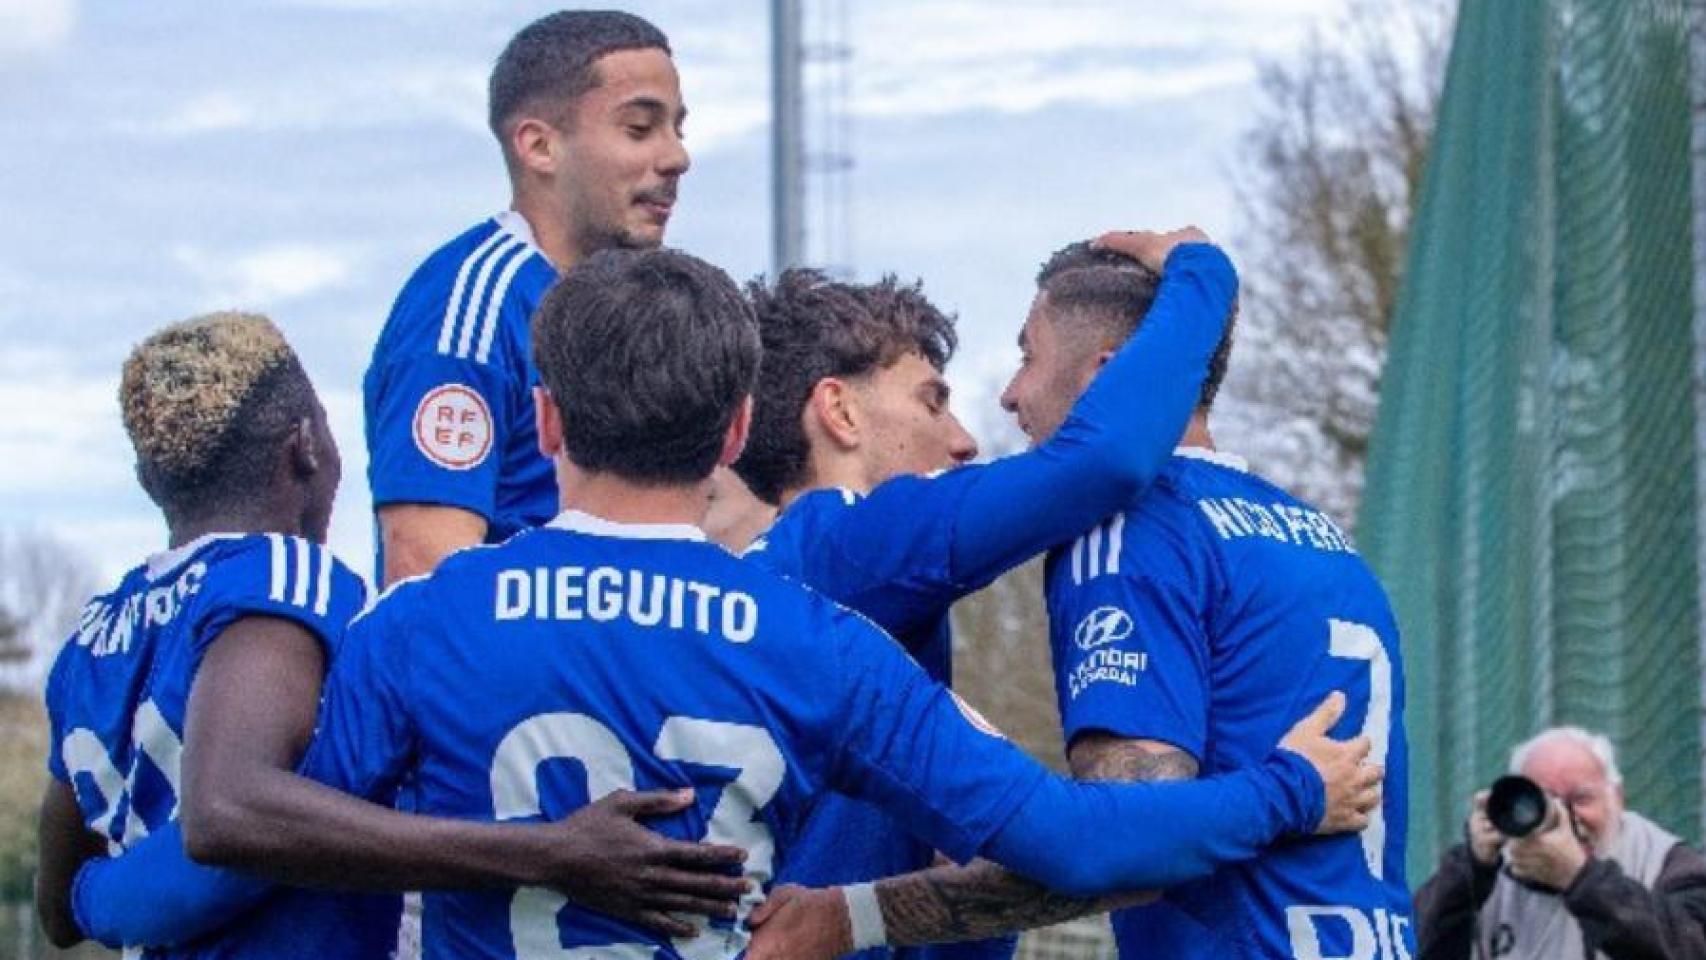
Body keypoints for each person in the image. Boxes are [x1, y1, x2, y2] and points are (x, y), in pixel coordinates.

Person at [173, 247, 1376, 959]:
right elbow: (1074, 836)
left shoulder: (416, 625)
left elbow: (261, 846)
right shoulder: (812, 636)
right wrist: (1285, 788)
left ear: (543, 422)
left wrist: (99, 887)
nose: (972, 430)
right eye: (937, 399)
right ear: (737, 425)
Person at [36, 312, 747, 957]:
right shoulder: (283, 575)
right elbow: (227, 811)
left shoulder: (91, 640)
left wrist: (105, 898)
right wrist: (547, 852)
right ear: (306, 446)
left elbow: (59, 907)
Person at [734, 227, 1249, 960]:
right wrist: (1204, 274)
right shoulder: (840, 541)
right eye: (932, 401)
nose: (965, 438)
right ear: (839, 412)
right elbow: (1104, 460)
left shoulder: (803, 586)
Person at [1001, 240, 1414, 959]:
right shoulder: (1319, 536)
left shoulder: (1129, 524)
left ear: (1106, 376)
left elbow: (1130, 831)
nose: (1011, 393)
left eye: (1027, 356)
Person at [365, 9, 701, 586]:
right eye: (640, 128)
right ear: (540, 147)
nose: (677, 158)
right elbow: (422, 568)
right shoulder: (471, 305)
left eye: (678, 128)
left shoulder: (638, 310)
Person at [1414, 726, 1706, 959]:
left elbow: (1692, 947)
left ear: (1617, 798)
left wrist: (1581, 878)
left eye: (1581, 799)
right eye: (1545, 801)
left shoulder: (1663, 860)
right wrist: (1469, 871)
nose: (1565, 817)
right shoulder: (1492, 867)